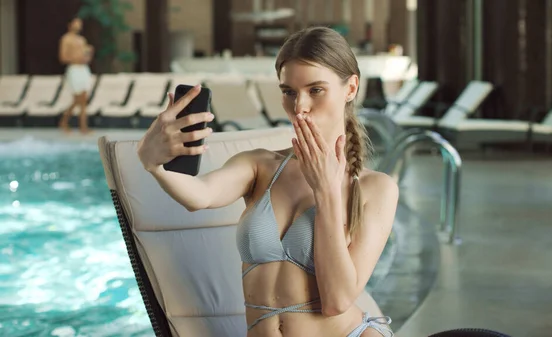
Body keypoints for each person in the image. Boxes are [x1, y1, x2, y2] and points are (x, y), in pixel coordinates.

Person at [137, 26, 399, 337]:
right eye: (289, 91)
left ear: (351, 88)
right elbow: (199, 196)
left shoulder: (376, 188)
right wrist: (152, 163)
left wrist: (326, 191)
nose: (299, 106)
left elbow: (337, 301)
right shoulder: (260, 165)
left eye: (316, 90)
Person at [58, 17, 94, 134]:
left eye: (80, 23)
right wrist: (76, 59)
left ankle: (83, 126)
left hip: (83, 69)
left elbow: (87, 57)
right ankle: (65, 121)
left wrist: (89, 53)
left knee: (84, 98)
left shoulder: (82, 40)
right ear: (70, 24)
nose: (78, 25)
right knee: (78, 98)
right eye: (76, 23)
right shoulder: (66, 39)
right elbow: (63, 57)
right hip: (74, 69)